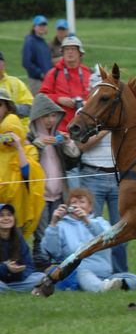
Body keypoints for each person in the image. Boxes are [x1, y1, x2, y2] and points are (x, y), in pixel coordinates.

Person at [41, 188, 136, 292]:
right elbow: (52, 251)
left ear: (90, 207)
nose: (78, 205)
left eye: (82, 202)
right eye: (74, 202)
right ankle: (102, 288)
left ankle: (111, 286)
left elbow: (108, 239)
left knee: (134, 279)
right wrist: (53, 223)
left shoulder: (101, 223)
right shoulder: (61, 226)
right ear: (67, 208)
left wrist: (87, 221)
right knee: (82, 273)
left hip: (105, 274)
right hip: (78, 273)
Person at [27, 93, 81, 271]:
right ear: (37, 117)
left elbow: (73, 161)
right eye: (45, 116)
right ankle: (41, 267)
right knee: (41, 233)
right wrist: (37, 145)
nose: (50, 120)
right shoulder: (29, 138)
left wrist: (68, 144)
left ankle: (56, 268)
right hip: (39, 195)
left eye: (53, 116)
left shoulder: (58, 137)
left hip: (59, 194)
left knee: (57, 230)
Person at [77, 130, 126, 272]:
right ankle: (92, 271)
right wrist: (104, 130)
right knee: (91, 228)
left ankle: (120, 274)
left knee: (121, 230)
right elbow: (82, 145)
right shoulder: (88, 113)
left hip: (118, 175)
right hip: (92, 174)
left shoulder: (122, 117)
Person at [0, 94, 45, 239]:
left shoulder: (28, 150)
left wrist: (19, 147)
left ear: (7, 107)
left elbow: (27, 174)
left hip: (16, 214)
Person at [39, 36, 92, 133]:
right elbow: (41, 97)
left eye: (73, 49)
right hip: (61, 129)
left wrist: (87, 103)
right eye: (67, 49)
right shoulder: (53, 73)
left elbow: (98, 97)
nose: (70, 52)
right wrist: (58, 99)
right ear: (62, 53)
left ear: (80, 53)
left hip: (86, 128)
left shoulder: (89, 73)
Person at [0, 203, 46, 293]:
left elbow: (30, 266)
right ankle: (9, 290)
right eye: (1, 216)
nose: (6, 218)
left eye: (9, 215)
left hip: (16, 280)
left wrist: (19, 271)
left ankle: (7, 291)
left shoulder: (18, 238)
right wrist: (6, 268)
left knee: (42, 277)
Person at [0, 51, 33, 130]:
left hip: (17, 130)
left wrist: (11, 108)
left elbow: (31, 107)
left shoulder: (15, 83)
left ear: (4, 64)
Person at [22, 15, 52, 94]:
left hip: (46, 80)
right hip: (36, 81)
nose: (42, 27)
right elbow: (26, 63)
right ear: (34, 27)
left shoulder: (42, 41)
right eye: (40, 25)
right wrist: (40, 74)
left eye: (44, 25)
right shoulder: (30, 41)